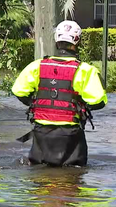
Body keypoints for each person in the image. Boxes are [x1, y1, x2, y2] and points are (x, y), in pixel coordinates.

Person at [11, 20, 107, 167]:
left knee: (39, 176)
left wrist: (35, 104)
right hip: (70, 133)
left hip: (41, 132)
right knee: (72, 178)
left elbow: (18, 91)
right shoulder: (86, 70)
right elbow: (98, 101)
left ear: (57, 41)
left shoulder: (37, 66)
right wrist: (81, 107)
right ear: (77, 42)